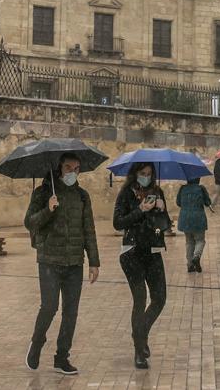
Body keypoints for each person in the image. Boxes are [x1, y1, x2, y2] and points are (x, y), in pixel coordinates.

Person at [24, 154, 99, 376]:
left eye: (76, 169)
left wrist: (94, 262)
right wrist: (48, 209)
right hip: (49, 259)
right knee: (49, 307)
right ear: (59, 169)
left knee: (70, 312)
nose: (72, 173)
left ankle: (62, 357)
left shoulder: (82, 196)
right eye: (68, 168)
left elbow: (89, 230)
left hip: (74, 262)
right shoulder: (43, 192)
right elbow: (29, 222)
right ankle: (37, 342)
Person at [113, 162, 170, 370]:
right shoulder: (126, 193)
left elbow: (165, 225)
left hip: (153, 251)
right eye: (142, 173)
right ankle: (139, 351)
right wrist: (140, 210)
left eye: (149, 173)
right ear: (135, 174)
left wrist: (162, 210)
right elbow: (118, 223)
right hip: (132, 252)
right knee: (140, 299)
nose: (146, 176)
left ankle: (140, 333)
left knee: (160, 298)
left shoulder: (158, 192)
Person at [176, 177, 213, 272]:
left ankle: (190, 265)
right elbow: (207, 202)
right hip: (198, 219)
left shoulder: (182, 188)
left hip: (185, 219)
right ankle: (196, 257)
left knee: (189, 242)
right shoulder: (201, 188)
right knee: (200, 240)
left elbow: (178, 203)